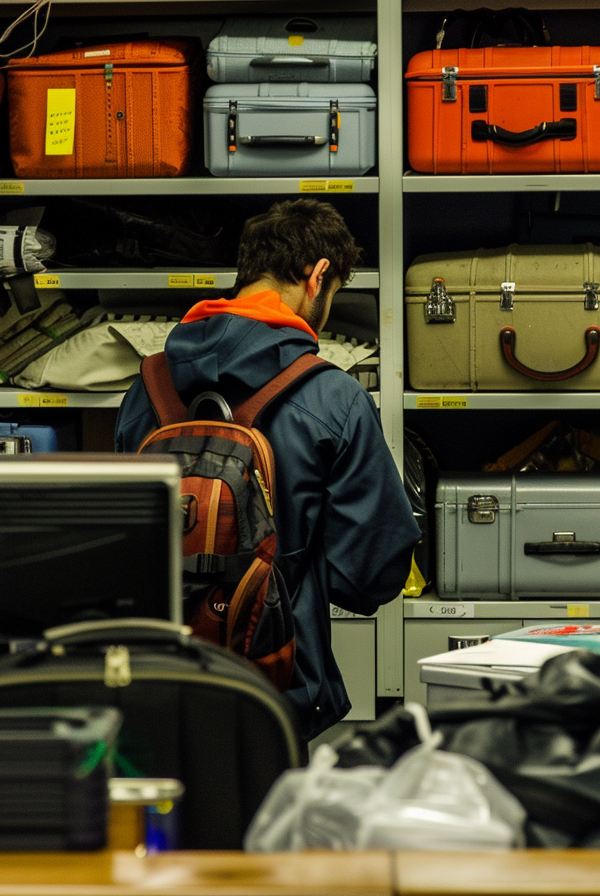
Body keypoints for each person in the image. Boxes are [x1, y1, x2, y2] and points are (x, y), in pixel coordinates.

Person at [115, 198, 420, 741]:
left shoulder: (149, 387)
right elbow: (370, 577)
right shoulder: (334, 396)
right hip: (277, 688)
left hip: (160, 679)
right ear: (318, 275)